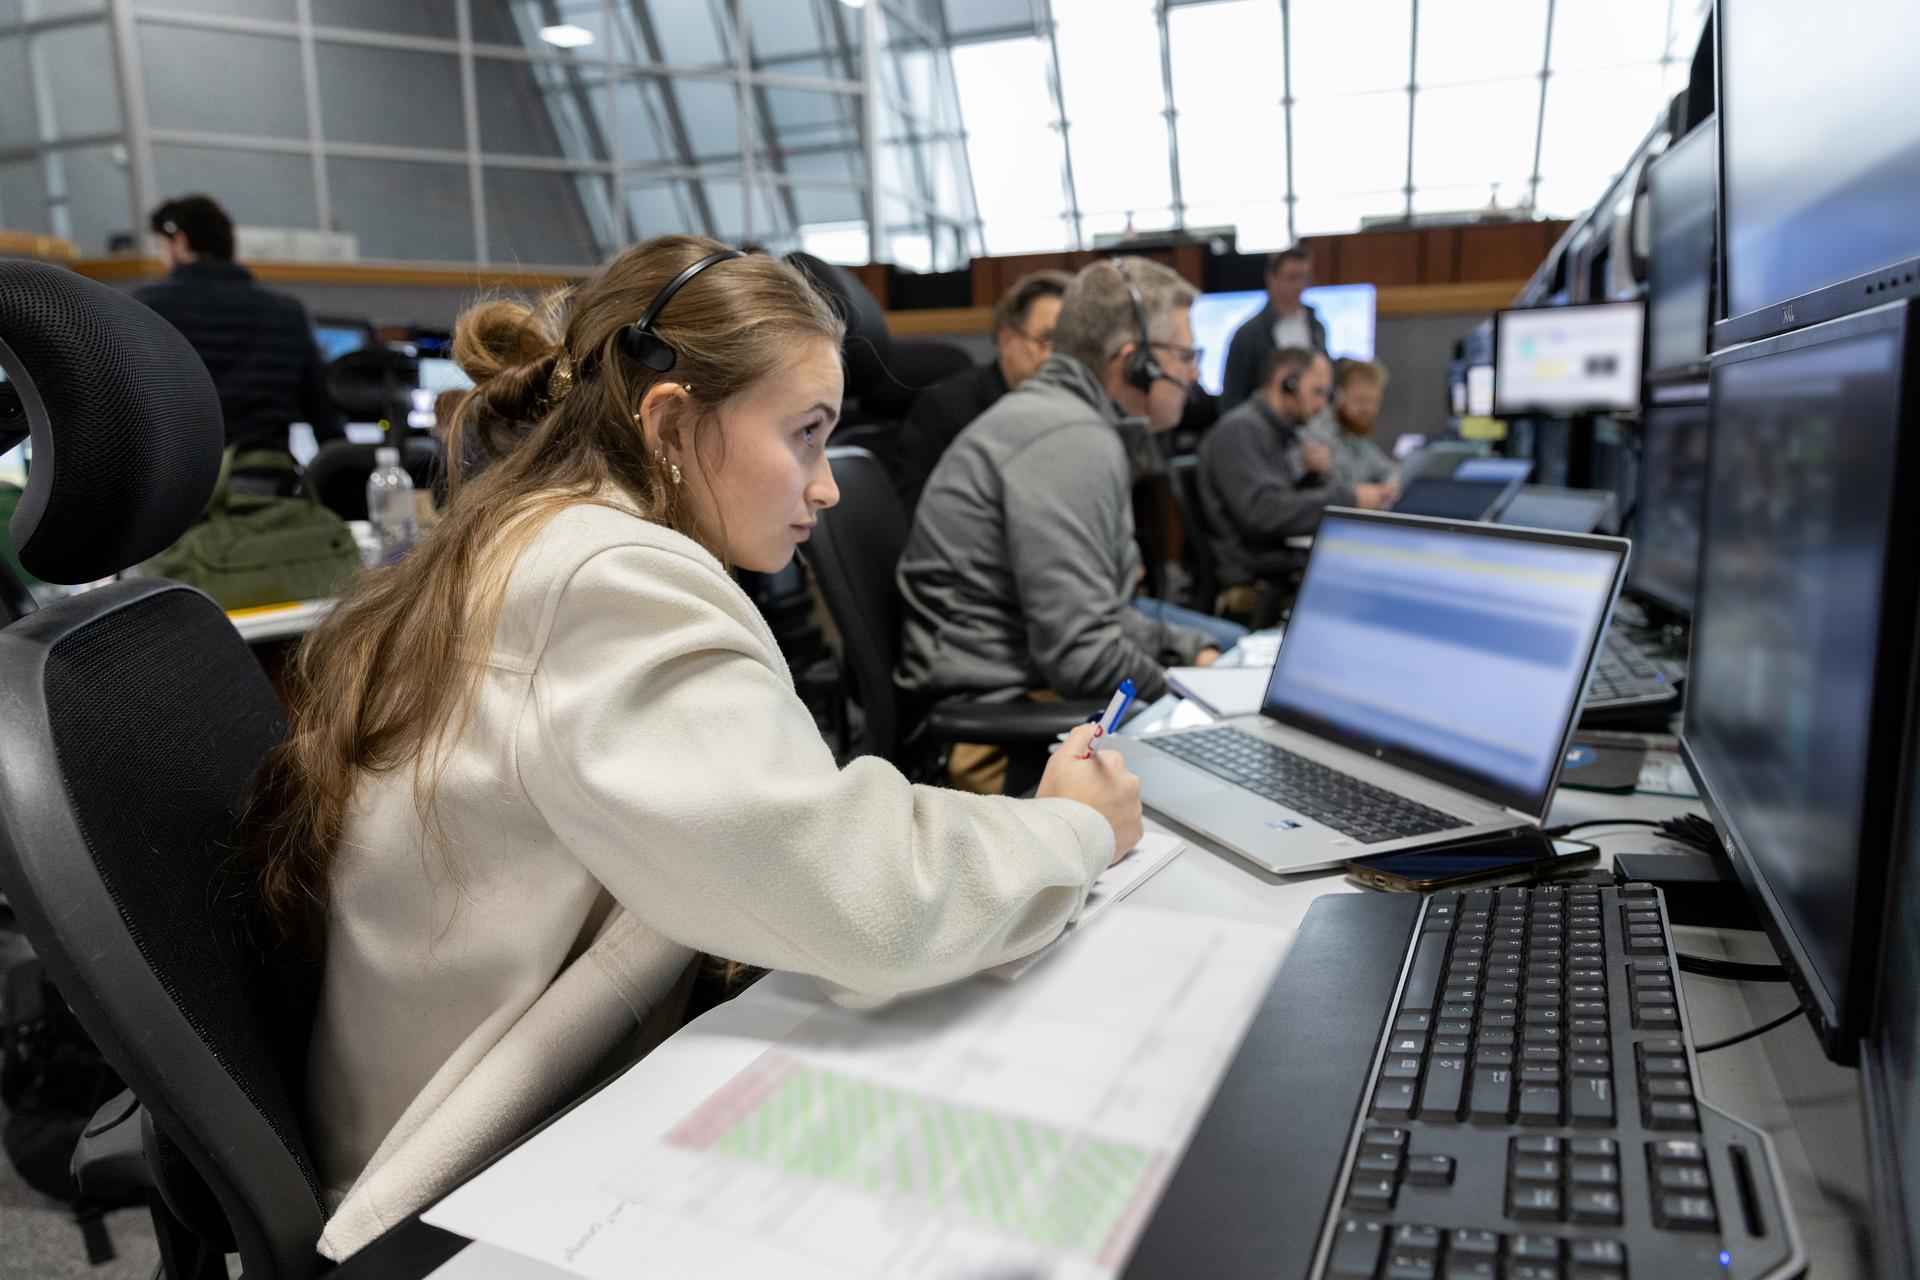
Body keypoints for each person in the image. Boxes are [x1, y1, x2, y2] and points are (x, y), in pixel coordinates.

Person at [242, 235, 1143, 1260]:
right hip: (466, 1190)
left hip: (505, 1101)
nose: (826, 485)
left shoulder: (543, 534)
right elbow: (867, 893)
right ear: (670, 424)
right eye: (805, 434)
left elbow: (784, 835)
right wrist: (1071, 828)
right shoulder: (606, 579)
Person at [897, 257, 1243, 791]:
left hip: (1020, 694)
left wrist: (1185, 648)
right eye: (1186, 355)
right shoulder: (1070, 440)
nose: (1195, 373)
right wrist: (1189, 690)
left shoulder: (1063, 420)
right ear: (1135, 362)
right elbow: (1082, 655)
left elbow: (1097, 617)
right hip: (997, 737)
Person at [135, 195, 345, 452]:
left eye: (160, 248)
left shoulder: (148, 307)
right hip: (267, 470)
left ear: (179, 241)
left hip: (186, 470)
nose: (162, 260)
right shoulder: (289, 312)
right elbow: (324, 418)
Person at [1198, 348, 1395, 613]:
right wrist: (1348, 499)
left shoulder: (1274, 432)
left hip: (1277, 573)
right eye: (1317, 392)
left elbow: (1280, 502)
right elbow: (1265, 514)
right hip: (1258, 583)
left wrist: (1313, 478)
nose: (1323, 405)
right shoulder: (1241, 431)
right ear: (1287, 382)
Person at [891, 268, 1070, 513]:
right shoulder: (945, 409)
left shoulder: (1073, 411)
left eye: (1068, 344)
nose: (1058, 357)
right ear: (1007, 339)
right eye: (1047, 340)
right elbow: (917, 512)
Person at [1218, 248, 1327, 412]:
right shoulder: (1247, 335)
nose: (1300, 285)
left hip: (1312, 420)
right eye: (1292, 277)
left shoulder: (1316, 327)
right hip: (1263, 421)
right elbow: (1232, 397)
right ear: (1271, 278)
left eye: (1305, 277)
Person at [1308, 358, 1398, 491]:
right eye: (1360, 400)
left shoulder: (1355, 435)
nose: (1367, 409)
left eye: (1373, 401)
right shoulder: (1316, 432)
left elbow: (1387, 471)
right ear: (1339, 396)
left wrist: (1390, 485)